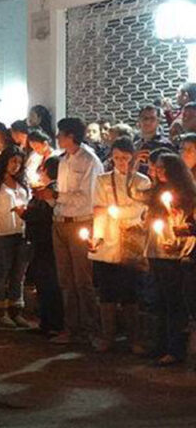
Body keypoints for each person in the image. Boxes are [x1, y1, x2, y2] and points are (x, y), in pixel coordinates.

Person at [36, 117, 101, 346]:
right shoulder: (63, 161)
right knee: (65, 280)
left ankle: (91, 329)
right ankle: (71, 328)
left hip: (80, 223)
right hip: (60, 222)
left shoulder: (89, 161)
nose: (57, 138)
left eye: (60, 134)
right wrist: (51, 199)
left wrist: (57, 196)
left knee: (83, 280)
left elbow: (88, 197)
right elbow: (62, 195)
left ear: (71, 135)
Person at [89, 137, 150, 353]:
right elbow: (98, 210)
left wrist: (116, 212)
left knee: (130, 294)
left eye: (125, 158)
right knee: (107, 293)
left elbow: (140, 210)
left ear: (132, 157)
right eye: (116, 158)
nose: (121, 162)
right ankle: (107, 337)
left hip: (132, 243)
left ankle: (134, 339)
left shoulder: (143, 182)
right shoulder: (103, 180)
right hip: (108, 242)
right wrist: (96, 237)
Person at [141, 153, 196, 367]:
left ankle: (175, 349)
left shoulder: (189, 196)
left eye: (163, 168)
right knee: (158, 300)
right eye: (157, 168)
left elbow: (188, 227)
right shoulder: (155, 193)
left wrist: (180, 231)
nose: (158, 171)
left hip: (176, 254)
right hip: (156, 251)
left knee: (174, 302)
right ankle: (160, 345)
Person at [0, 146, 33, 328]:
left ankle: (16, 309)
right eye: (13, 161)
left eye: (19, 162)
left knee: (18, 274)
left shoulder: (22, 184)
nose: (16, 166)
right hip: (2, 233)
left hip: (21, 233)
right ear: (5, 161)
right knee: (1, 273)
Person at [24, 157, 64, 336]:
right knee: (43, 282)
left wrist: (24, 214)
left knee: (49, 282)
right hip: (41, 241)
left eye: (42, 169)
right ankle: (46, 321)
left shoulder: (53, 191)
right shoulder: (44, 191)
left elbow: (45, 215)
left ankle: (53, 322)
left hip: (47, 241)